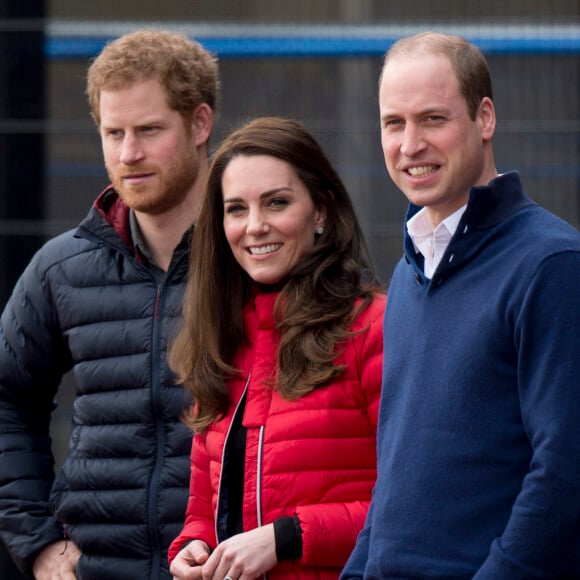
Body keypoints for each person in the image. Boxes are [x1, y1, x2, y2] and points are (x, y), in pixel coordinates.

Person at [342, 31, 580, 579]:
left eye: (432, 119)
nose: (409, 144)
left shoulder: (551, 265)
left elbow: (564, 471)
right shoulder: (406, 276)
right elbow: (397, 475)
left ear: (485, 118)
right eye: (393, 123)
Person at [0, 29, 218, 579]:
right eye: (112, 132)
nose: (129, 154)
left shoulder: (259, 256)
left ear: (199, 123)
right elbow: (6, 396)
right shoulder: (61, 268)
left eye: (149, 130)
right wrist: (39, 543)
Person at [167, 117, 386, 579]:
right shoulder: (219, 340)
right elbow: (204, 507)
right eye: (236, 209)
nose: (255, 227)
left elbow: (411, 503)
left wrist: (287, 537)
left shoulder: (374, 327)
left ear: (321, 211)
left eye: (277, 203)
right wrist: (194, 545)